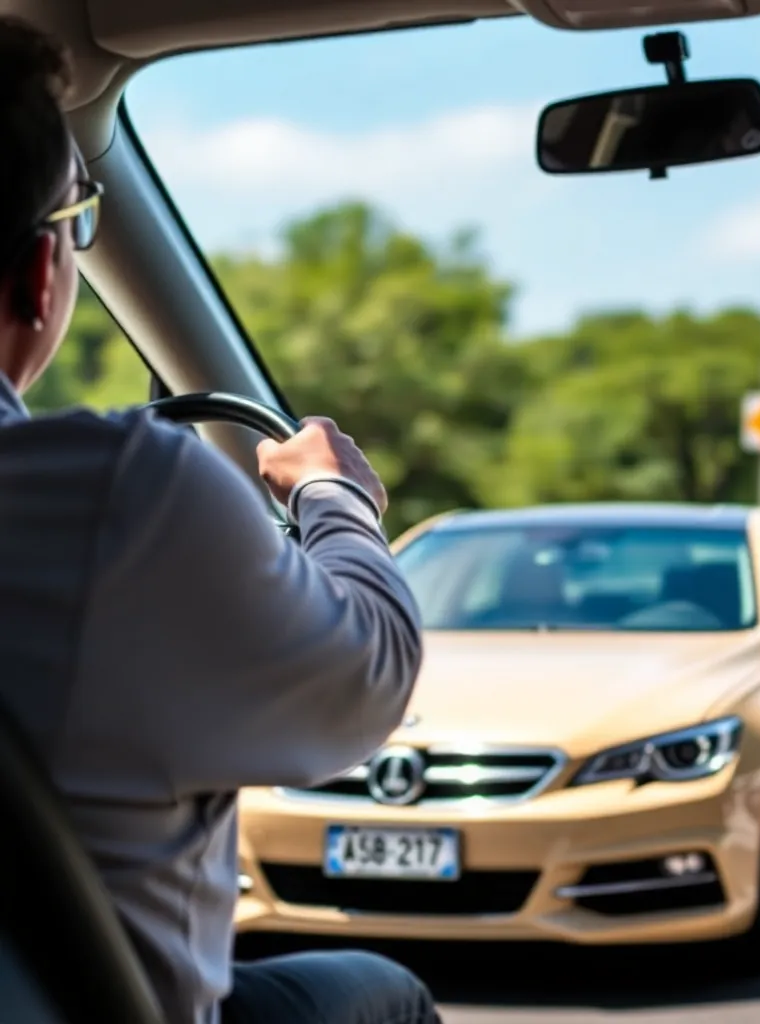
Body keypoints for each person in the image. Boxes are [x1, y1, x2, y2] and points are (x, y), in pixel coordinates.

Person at [0, 16, 441, 1024]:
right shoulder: (113, 496)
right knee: (383, 996)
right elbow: (366, 687)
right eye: (80, 219)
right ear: (38, 274)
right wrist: (333, 499)